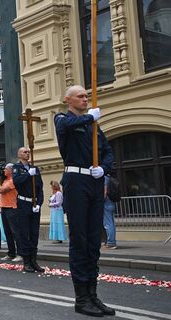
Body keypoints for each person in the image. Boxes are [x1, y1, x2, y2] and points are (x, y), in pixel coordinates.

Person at [54, 85, 115, 317]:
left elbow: (108, 152)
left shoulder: (94, 126)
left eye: (86, 96)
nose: (85, 99)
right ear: (67, 99)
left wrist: (104, 168)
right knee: (79, 239)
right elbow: (65, 126)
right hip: (75, 182)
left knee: (92, 240)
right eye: (80, 96)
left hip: (94, 181)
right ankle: (81, 299)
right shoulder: (63, 118)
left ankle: (93, 294)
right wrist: (90, 116)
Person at [13, 147, 44, 273]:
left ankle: (33, 260)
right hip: (23, 203)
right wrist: (27, 175)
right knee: (24, 233)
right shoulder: (17, 168)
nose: (27, 153)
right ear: (19, 154)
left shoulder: (35, 169)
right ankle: (26, 261)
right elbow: (17, 182)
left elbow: (40, 187)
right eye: (24, 152)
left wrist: (39, 203)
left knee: (34, 233)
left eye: (28, 152)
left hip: (34, 204)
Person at [0, 164, 22, 263]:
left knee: (15, 232)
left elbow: (1, 190)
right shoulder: (5, 180)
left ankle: (20, 253)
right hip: (4, 208)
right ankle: (11, 253)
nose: (4, 170)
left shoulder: (12, 181)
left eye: (5, 169)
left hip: (12, 208)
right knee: (8, 232)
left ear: (10, 170)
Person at [102, 176, 117, 250]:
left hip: (106, 204)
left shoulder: (104, 179)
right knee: (110, 223)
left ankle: (111, 243)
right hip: (111, 203)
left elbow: (104, 193)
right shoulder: (109, 178)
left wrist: (99, 201)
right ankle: (110, 242)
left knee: (108, 224)